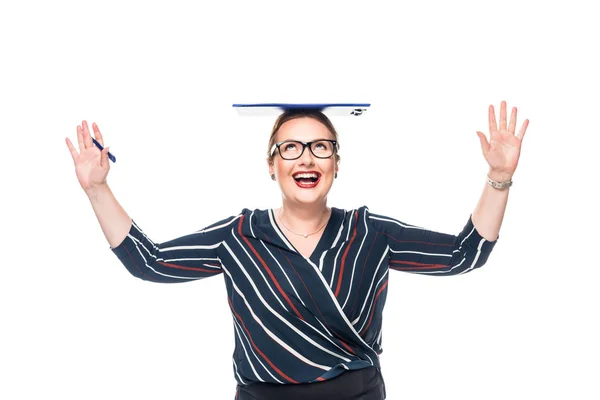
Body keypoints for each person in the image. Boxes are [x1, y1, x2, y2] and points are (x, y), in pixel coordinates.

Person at [65, 101, 529, 400]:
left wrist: (500, 177)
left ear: (335, 164)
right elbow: (149, 262)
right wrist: (98, 190)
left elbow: (466, 254)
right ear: (272, 165)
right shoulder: (237, 234)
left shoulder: (372, 232)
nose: (306, 157)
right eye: (291, 147)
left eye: (320, 147)